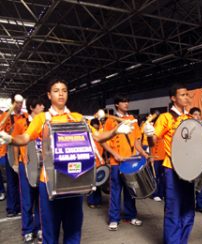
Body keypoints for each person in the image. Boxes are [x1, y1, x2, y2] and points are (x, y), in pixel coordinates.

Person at [0, 79, 134, 244]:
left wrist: (115, 131)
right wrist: (11, 139)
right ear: (49, 95)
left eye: (64, 90)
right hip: (49, 182)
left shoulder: (77, 117)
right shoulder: (42, 118)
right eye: (56, 90)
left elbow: (98, 136)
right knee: (50, 230)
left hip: (74, 180)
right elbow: (26, 137)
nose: (61, 93)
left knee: (73, 229)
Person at [144, 83, 195, 244]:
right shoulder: (166, 118)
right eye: (182, 95)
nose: (186, 97)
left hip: (189, 170)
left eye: (187, 94)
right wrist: (150, 134)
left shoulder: (190, 119)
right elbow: (153, 141)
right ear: (173, 98)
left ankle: (183, 240)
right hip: (172, 168)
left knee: (188, 208)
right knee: (173, 208)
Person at [102, 94, 149, 231]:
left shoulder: (132, 120)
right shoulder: (111, 121)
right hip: (116, 163)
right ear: (117, 104)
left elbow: (137, 142)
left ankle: (130, 216)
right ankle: (114, 219)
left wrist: (144, 154)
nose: (126, 104)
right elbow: (104, 141)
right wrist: (115, 155)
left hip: (130, 162)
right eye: (123, 102)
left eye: (127, 101)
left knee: (131, 191)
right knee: (116, 191)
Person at [12, 96, 44, 243]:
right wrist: (15, 163)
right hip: (25, 165)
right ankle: (27, 230)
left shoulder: (45, 122)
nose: (43, 107)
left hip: (42, 165)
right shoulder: (20, 123)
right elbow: (15, 143)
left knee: (40, 198)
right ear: (32, 107)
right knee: (27, 200)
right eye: (39, 104)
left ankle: (39, 228)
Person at [0, 94, 27, 217]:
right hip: (9, 152)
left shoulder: (24, 117)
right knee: (11, 183)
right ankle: (12, 208)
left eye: (21, 103)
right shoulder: (5, 116)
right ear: (12, 103)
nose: (19, 105)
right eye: (17, 103)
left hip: (22, 153)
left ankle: (22, 207)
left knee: (21, 182)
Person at [190, 107, 202, 214]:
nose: (197, 116)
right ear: (191, 116)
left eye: (199, 114)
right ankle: (190, 205)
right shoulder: (187, 127)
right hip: (191, 159)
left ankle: (200, 205)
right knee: (191, 184)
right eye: (195, 114)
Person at [87, 118, 103, 209]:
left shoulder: (101, 135)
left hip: (100, 162)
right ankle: (91, 201)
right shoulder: (89, 136)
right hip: (92, 162)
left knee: (99, 181)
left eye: (97, 127)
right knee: (92, 183)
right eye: (94, 127)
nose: (96, 128)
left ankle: (98, 200)